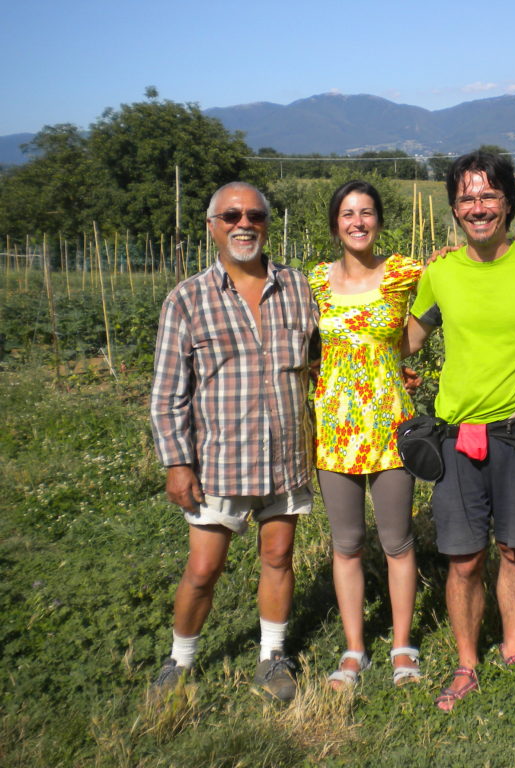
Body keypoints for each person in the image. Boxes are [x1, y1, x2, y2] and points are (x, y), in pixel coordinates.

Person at [402, 150, 515, 711]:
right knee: (463, 557)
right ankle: (467, 662)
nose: (477, 208)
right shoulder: (440, 271)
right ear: (454, 209)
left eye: (488, 197)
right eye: (466, 199)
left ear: (508, 204)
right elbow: (406, 338)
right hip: (457, 435)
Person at [149, 182, 319, 701]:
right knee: (203, 569)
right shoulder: (187, 299)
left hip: (287, 452)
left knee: (279, 556)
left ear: (267, 224)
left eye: (254, 215)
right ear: (212, 227)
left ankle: (272, 657)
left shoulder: (297, 288)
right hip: (222, 459)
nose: (243, 224)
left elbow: (319, 359)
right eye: (230, 216)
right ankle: (179, 661)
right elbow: (166, 393)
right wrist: (177, 463)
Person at [307, 181, 421, 688]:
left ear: (378, 221)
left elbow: (463, 272)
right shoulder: (313, 282)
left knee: (397, 541)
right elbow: (302, 344)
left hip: (391, 426)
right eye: (348, 214)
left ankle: (402, 647)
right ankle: (354, 650)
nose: (358, 221)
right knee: (347, 543)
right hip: (334, 430)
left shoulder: (401, 274)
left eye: (367, 212)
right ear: (335, 224)